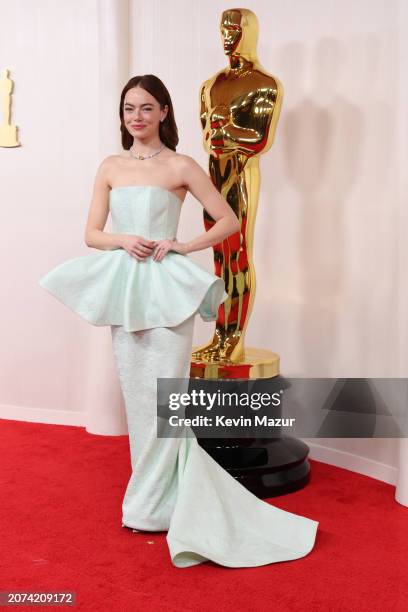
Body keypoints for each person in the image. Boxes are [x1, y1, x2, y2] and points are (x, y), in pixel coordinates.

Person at [39, 74, 319, 568]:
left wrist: (182, 245)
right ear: (122, 114)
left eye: (147, 108)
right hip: (127, 289)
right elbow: (91, 234)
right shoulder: (110, 165)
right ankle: (158, 501)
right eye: (129, 109)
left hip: (166, 289)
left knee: (166, 401)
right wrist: (125, 240)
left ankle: (152, 506)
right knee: (140, 401)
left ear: (165, 112)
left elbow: (228, 219)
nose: (137, 117)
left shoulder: (181, 165)